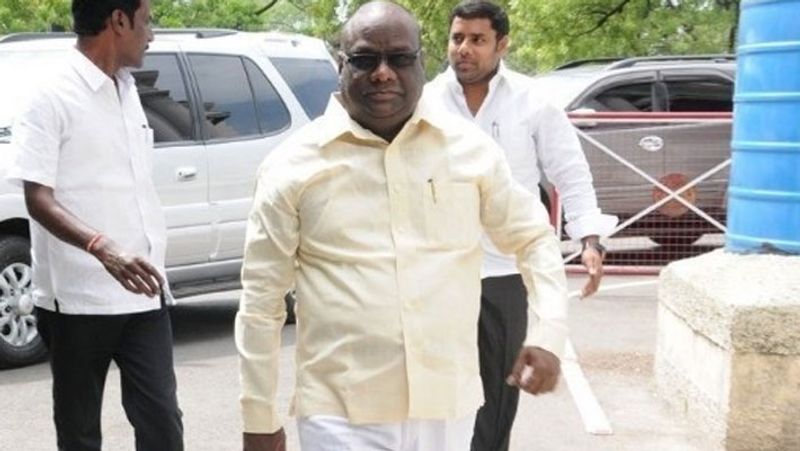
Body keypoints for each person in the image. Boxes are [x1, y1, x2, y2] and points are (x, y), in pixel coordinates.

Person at [235, 2, 568, 450]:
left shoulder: (469, 151)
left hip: (447, 406)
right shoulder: (292, 166)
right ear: (341, 65)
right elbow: (261, 301)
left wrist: (549, 333)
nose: (383, 73)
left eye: (399, 58)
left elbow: (533, 238)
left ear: (420, 62)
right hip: (341, 413)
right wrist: (258, 415)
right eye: (365, 59)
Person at [424, 1, 618, 450]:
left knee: (497, 391)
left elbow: (569, 171)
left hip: (505, 269)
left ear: (502, 45)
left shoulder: (533, 101)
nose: (464, 49)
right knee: (438, 392)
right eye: (457, 38)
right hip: (439, 270)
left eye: (477, 39)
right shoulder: (427, 101)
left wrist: (590, 240)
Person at [6, 1, 183, 450]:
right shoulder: (50, 94)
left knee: (163, 425)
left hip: (143, 289)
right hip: (77, 300)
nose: (152, 34)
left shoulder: (128, 89)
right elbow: (38, 198)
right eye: (146, 21)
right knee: (80, 433)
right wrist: (102, 247)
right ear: (118, 21)